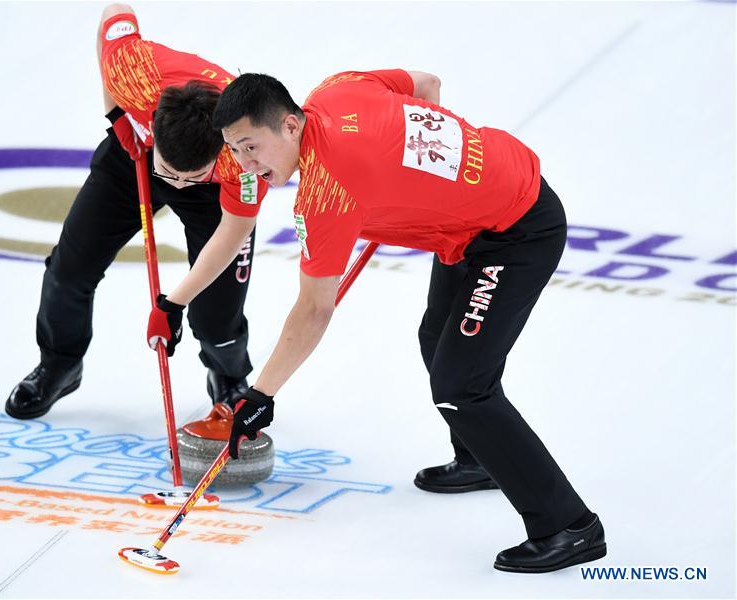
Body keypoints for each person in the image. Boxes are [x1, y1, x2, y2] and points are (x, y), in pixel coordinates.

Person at [212, 71, 605, 573]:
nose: (246, 165)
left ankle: (569, 526)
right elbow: (426, 84)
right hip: (470, 221)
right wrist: (411, 177)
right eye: (236, 151)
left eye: (251, 147)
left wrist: (260, 396)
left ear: (290, 126)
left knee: (463, 387)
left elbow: (314, 309)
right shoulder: (335, 91)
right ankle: (480, 458)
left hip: (516, 229)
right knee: (436, 338)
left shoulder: (327, 193)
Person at [5, 4, 268, 420]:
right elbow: (115, 12)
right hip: (134, 156)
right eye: (171, 174)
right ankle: (60, 363)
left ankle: (228, 375)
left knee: (216, 313)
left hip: (215, 195)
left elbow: (235, 231)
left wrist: (173, 303)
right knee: (69, 270)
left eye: (189, 176)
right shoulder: (137, 75)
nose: (176, 184)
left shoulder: (249, 153)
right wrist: (116, 116)